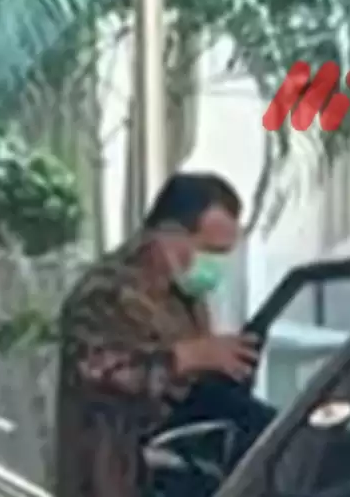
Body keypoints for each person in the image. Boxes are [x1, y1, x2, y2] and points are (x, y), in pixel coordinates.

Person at [55, 173, 268, 497]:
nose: (215, 265)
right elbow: (98, 369)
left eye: (224, 254)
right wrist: (186, 357)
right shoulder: (104, 294)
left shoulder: (184, 298)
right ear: (166, 234)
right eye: (209, 250)